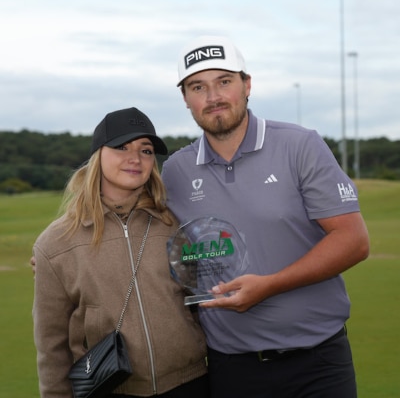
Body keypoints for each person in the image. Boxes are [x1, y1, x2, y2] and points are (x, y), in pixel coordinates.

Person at [161, 35, 370, 398]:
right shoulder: (176, 170)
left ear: (247, 85)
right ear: (185, 98)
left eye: (224, 82)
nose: (213, 97)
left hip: (317, 363)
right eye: (198, 87)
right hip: (231, 368)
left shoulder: (299, 145)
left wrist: (270, 285)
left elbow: (353, 241)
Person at [32, 107, 209, 398]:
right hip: (110, 388)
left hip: (190, 384)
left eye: (146, 150)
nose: (135, 158)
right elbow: (52, 346)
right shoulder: (55, 243)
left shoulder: (177, 224)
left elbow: (200, 299)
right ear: (97, 155)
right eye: (121, 147)